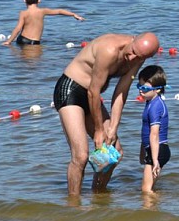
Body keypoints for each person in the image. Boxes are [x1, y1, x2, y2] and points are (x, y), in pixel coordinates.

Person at [53, 32, 160, 196]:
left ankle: (98, 196)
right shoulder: (109, 50)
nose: (131, 58)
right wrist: (99, 129)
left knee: (115, 152)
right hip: (70, 90)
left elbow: (121, 91)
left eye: (138, 57)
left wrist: (113, 127)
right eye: (131, 52)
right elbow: (93, 91)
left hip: (91, 97)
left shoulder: (139, 57)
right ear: (133, 40)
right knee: (81, 156)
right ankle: (73, 203)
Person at [2, 0, 84, 46]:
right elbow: (59, 11)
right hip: (36, 42)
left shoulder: (23, 13)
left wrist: (9, 41)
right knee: (36, 62)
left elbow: (18, 28)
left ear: (24, 0)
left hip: (23, 40)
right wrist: (73, 14)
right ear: (39, 0)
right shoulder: (43, 11)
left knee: (24, 63)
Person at [137, 65, 170, 194]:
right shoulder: (150, 102)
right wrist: (142, 151)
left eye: (144, 88)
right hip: (153, 149)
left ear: (157, 90)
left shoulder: (156, 107)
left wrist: (155, 160)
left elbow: (154, 135)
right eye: (139, 86)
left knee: (146, 191)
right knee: (150, 189)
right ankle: (156, 209)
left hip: (158, 149)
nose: (140, 91)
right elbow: (144, 131)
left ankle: (152, 211)